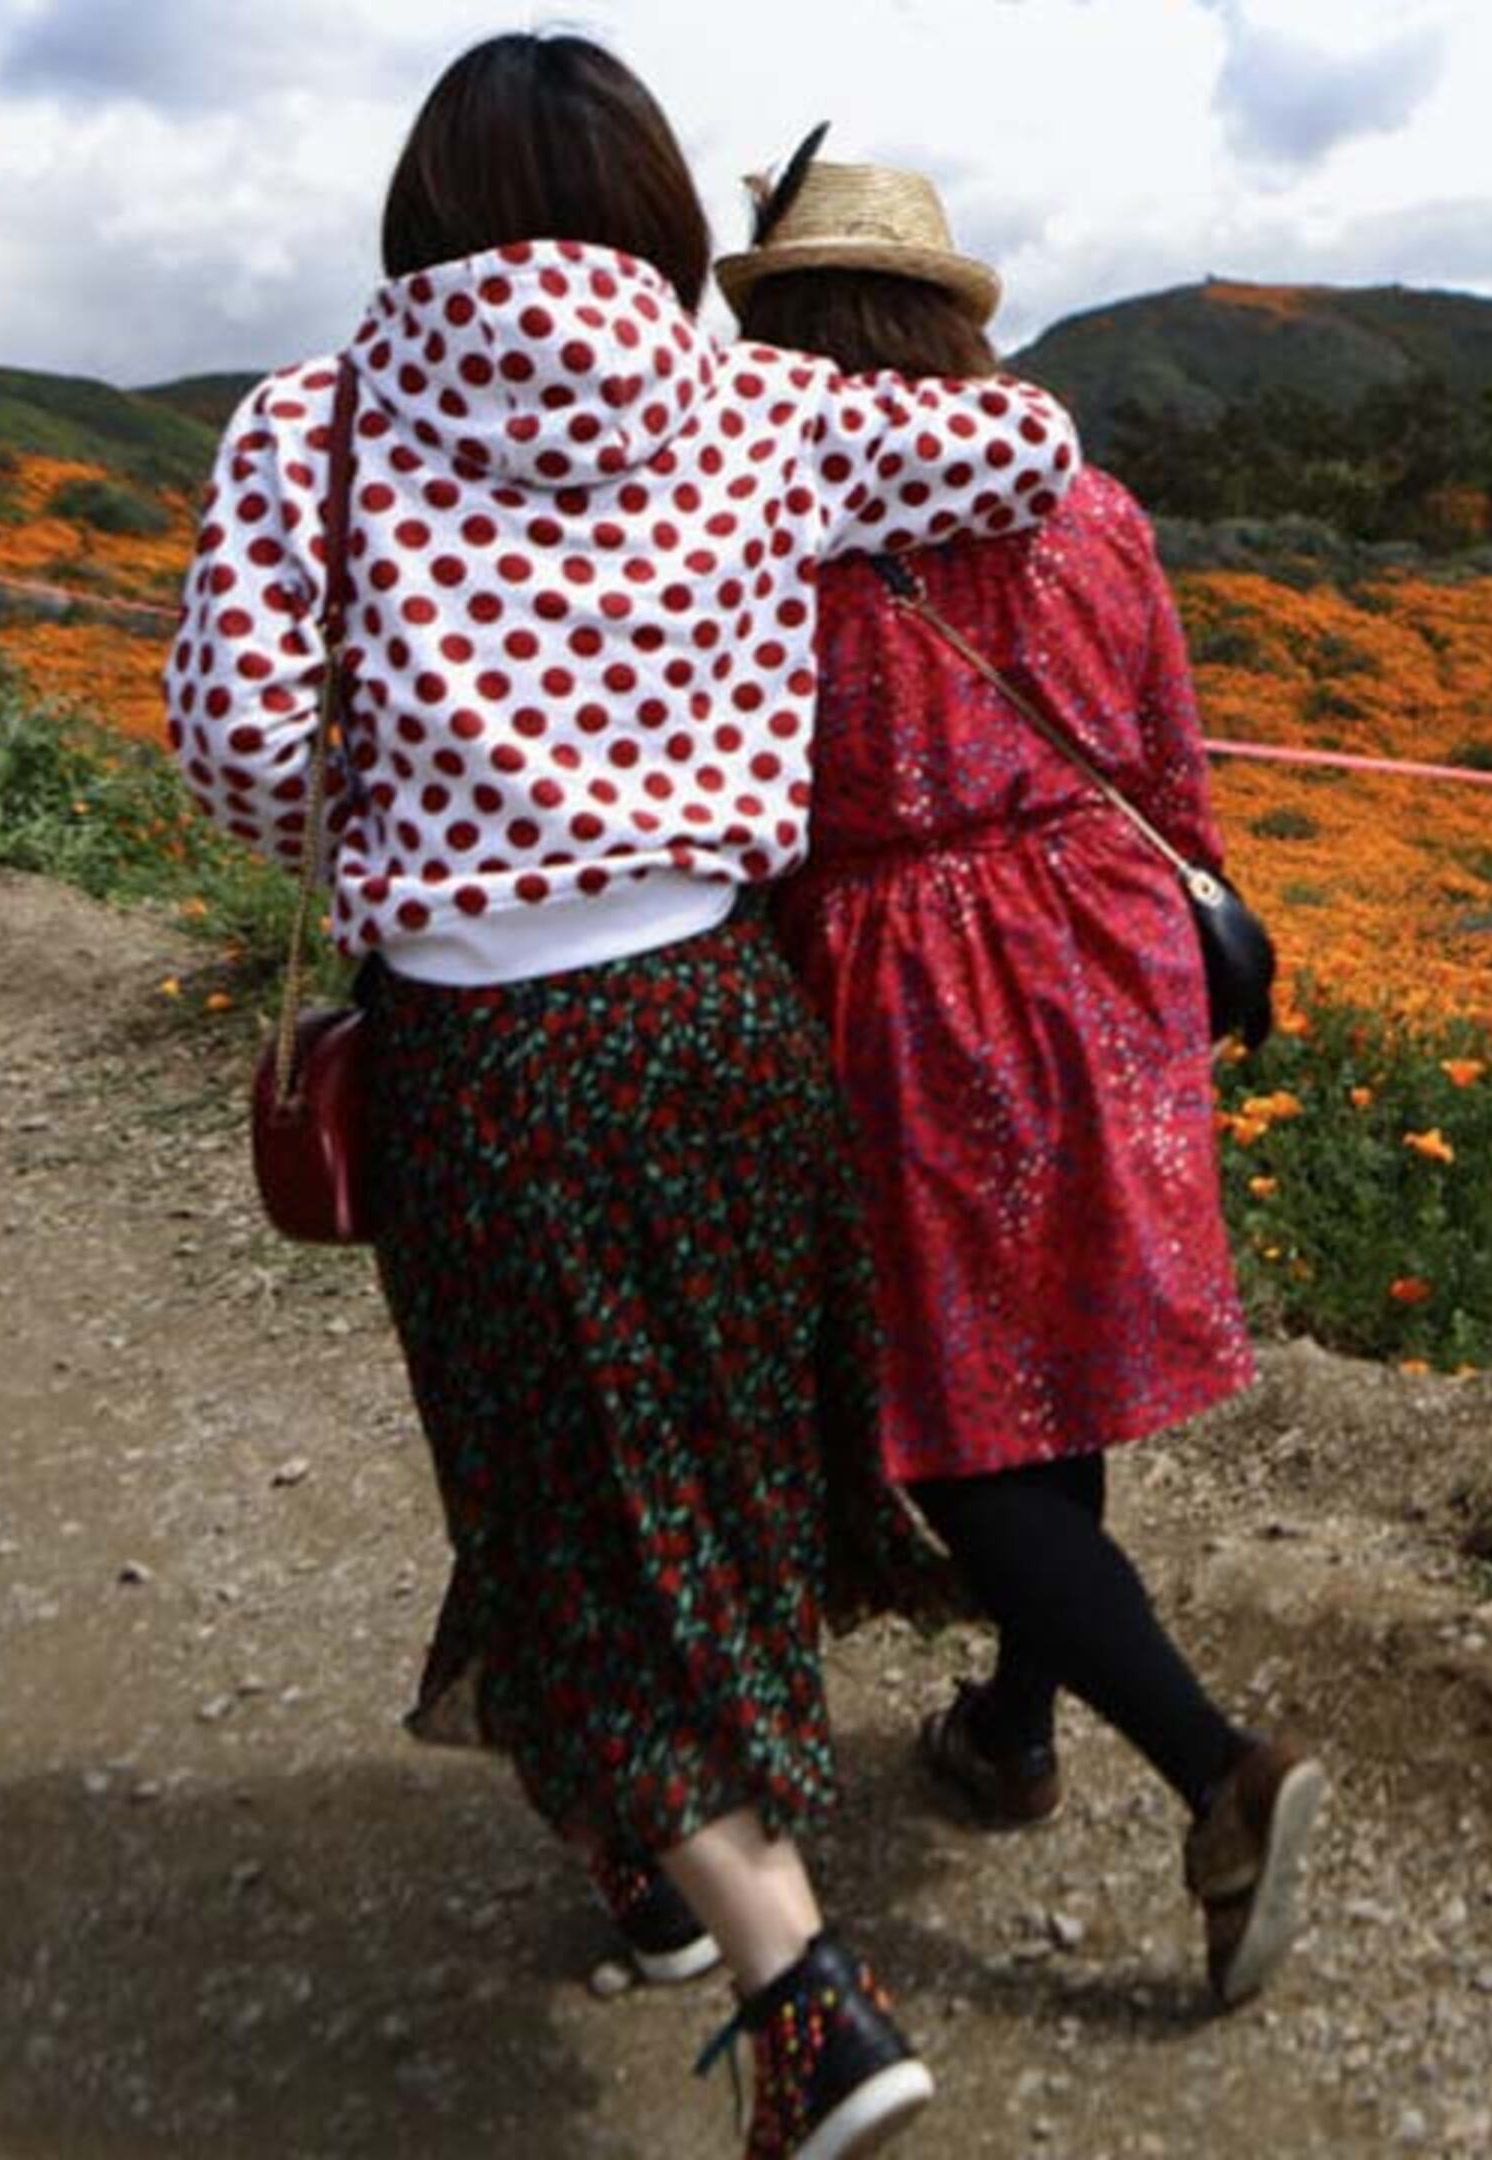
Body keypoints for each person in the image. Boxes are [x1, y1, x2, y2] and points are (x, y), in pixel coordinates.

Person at [162, 34, 1082, 2158]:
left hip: (491, 1064)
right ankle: (659, 1884)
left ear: (422, 213)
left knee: (564, 1501)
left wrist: (439, 750)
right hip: (727, 1029)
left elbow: (234, 763)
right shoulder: (761, 404)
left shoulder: (314, 423)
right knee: (705, 1470)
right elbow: (1024, 451)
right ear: (667, 215)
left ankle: (803, 1996)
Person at [722, 152, 1326, 2010]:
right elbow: (1167, 757)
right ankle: (1014, 1727)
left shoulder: (777, 528)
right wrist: (1180, 923)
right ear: (949, 319)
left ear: (790, 328)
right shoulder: (1094, 502)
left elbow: (754, 818)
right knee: (1049, 1351)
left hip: (915, 978)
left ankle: (1219, 1770)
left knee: (941, 1415)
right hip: (1110, 939)